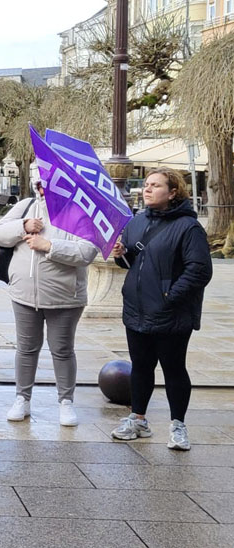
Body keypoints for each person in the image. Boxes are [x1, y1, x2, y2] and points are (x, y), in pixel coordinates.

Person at [110, 168, 213, 450]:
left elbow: (200, 270)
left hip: (171, 313)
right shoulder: (136, 222)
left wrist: (169, 297)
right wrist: (122, 255)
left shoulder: (188, 227)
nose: (147, 189)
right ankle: (138, 419)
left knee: (173, 369)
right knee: (141, 368)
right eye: (146, 184)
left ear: (173, 191)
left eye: (155, 185)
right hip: (137, 309)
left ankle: (178, 425)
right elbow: (133, 263)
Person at [0, 173, 98, 426]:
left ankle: (66, 401)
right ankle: (22, 398)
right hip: (24, 294)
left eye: (46, 182)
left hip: (64, 297)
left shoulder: (77, 212)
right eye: (37, 182)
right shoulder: (25, 206)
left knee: (61, 350)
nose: (40, 187)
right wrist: (23, 226)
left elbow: (86, 252)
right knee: (26, 348)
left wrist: (49, 246)